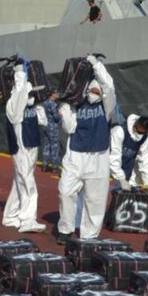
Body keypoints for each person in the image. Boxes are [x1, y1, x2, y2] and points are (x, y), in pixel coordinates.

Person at [56, 55, 116, 243]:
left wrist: (96, 65)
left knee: (95, 199)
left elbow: (109, 86)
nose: (95, 92)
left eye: (98, 90)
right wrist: (65, 107)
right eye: (91, 90)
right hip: (75, 155)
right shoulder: (77, 105)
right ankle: (65, 229)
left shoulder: (107, 108)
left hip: (98, 156)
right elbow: (69, 128)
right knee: (65, 191)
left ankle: (89, 235)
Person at [2, 64, 48, 233]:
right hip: (20, 148)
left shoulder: (33, 107)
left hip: (32, 146)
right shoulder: (12, 105)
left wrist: (38, 104)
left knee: (20, 181)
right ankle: (28, 219)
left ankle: (10, 215)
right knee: (27, 181)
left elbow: (43, 121)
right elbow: (16, 113)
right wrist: (20, 74)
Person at [109, 114, 148, 191]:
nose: (139, 135)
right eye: (139, 132)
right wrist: (121, 179)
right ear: (135, 126)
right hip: (107, 171)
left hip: (126, 172)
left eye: (142, 133)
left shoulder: (143, 138)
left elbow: (146, 158)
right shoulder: (119, 131)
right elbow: (113, 156)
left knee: (131, 196)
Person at [41, 97, 61, 172]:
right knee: (54, 147)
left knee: (46, 146)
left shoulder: (45, 102)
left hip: (46, 126)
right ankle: (55, 166)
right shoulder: (52, 104)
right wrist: (60, 116)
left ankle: (44, 165)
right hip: (53, 127)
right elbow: (56, 116)